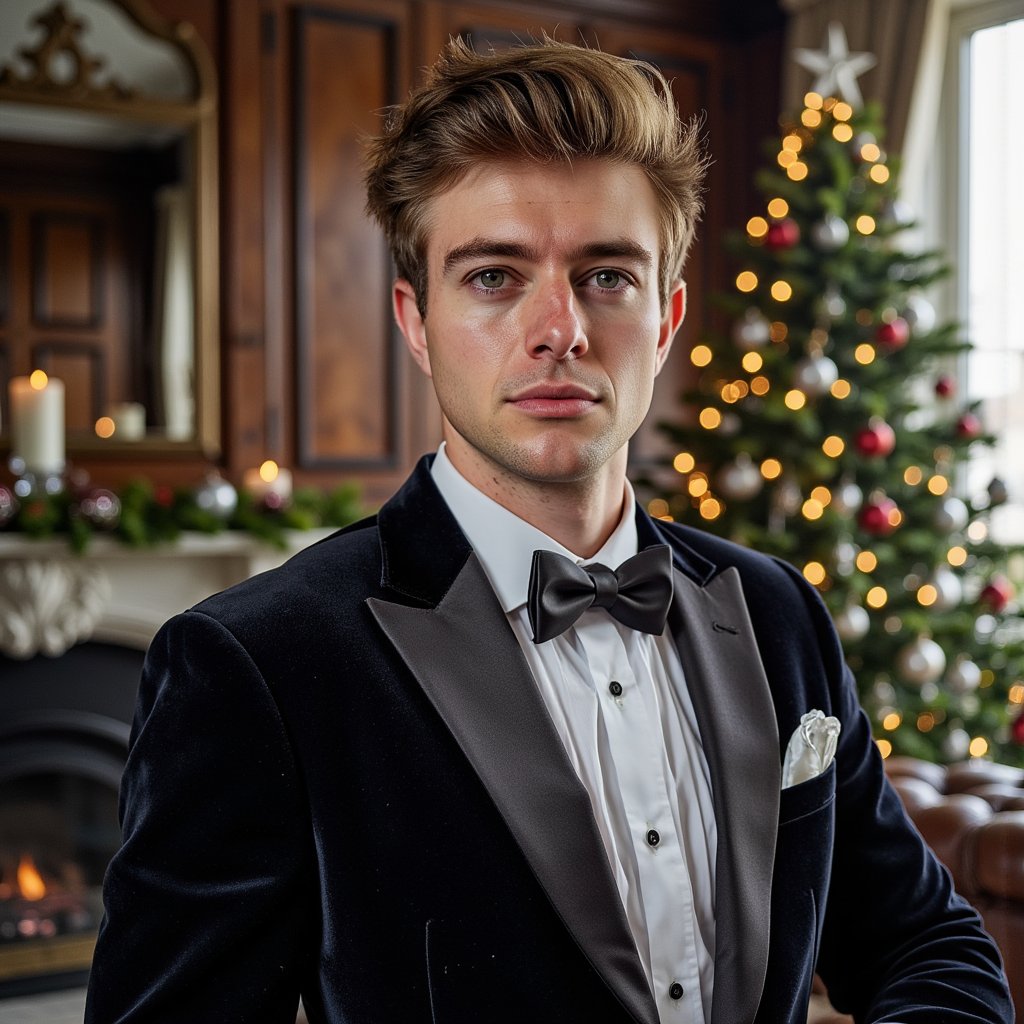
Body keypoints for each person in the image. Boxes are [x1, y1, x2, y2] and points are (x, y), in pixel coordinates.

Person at [86, 38, 1012, 1024]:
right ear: (414, 319)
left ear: (666, 318)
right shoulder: (255, 664)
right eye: (493, 276)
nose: (558, 328)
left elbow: (931, 945)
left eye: (607, 276)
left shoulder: (776, 610)